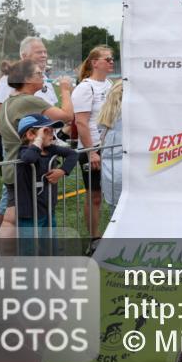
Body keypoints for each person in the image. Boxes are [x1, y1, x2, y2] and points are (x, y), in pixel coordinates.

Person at [0, 59, 74, 245]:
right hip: (29, 169)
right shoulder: (28, 101)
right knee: (32, 220)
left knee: (11, 217)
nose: (43, 76)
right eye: (39, 73)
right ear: (27, 79)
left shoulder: (8, 102)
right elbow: (67, 116)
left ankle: (3, 255)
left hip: (14, 166)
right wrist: (65, 90)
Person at [72, 46, 114, 239]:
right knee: (95, 196)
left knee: (113, 193)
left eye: (112, 59)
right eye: (108, 59)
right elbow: (81, 122)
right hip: (93, 147)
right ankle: (95, 238)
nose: (112, 62)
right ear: (94, 63)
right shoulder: (85, 87)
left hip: (110, 146)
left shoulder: (110, 84)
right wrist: (91, 152)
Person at [15, 114, 78, 244]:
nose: (52, 135)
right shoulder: (24, 151)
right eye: (46, 131)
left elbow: (73, 154)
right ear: (30, 135)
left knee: (49, 245)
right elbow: (29, 158)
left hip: (48, 209)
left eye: (52, 131)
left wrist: (62, 171)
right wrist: (38, 139)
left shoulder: (50, 149)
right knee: (29, 249)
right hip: (29, 213)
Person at [97, 81, 123, 210]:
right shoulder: (128, 114)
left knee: (116, 211)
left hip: (110, 169)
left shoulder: (105, 113)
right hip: (124, 169)